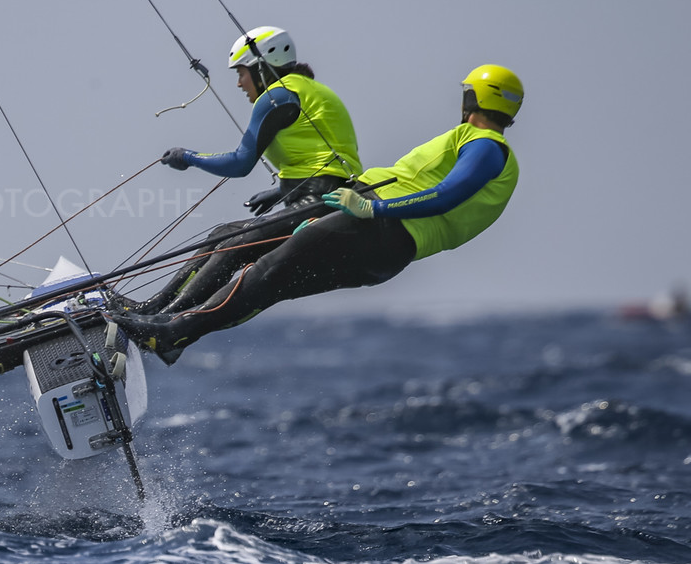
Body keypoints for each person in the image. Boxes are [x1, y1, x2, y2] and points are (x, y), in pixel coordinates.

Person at [114, 64, 523, 364]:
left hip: (375, 227)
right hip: (383, 245)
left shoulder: (487, 145)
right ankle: (171, 332)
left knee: (260, 263)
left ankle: (168, 328)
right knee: (265, 276)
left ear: (473, 97)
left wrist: (371, 207)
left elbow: (445, 195)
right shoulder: (483, 145)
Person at [145, 26, 362, 317]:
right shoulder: (308, 89)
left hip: (322, 200)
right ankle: (154, 306)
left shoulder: (277, 96)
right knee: (221, 234)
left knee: (235, 244)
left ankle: (164, 317)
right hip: (324, 191)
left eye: (241, 73)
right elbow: (319, 157)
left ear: (261, 66)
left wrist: (188, 157)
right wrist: (281, 190)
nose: (239, 84)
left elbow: (240, 163)